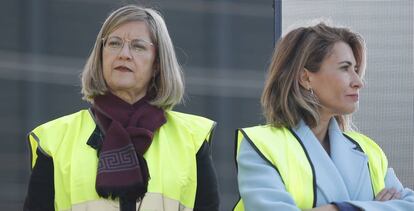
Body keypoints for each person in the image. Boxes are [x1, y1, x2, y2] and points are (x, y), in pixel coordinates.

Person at [24, 5, 219, 211]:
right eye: (114, 43)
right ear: (101, 56)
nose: (124, 54)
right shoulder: (56, 139)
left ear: (158, 64)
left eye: (138, 46)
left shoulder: (192, 139)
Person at [233, 22, 414, 211]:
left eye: (356, 69)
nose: (358, 82)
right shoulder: (261, 145)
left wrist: (336, 208)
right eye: (345, 68)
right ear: (305, 78)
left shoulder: (368, 150)